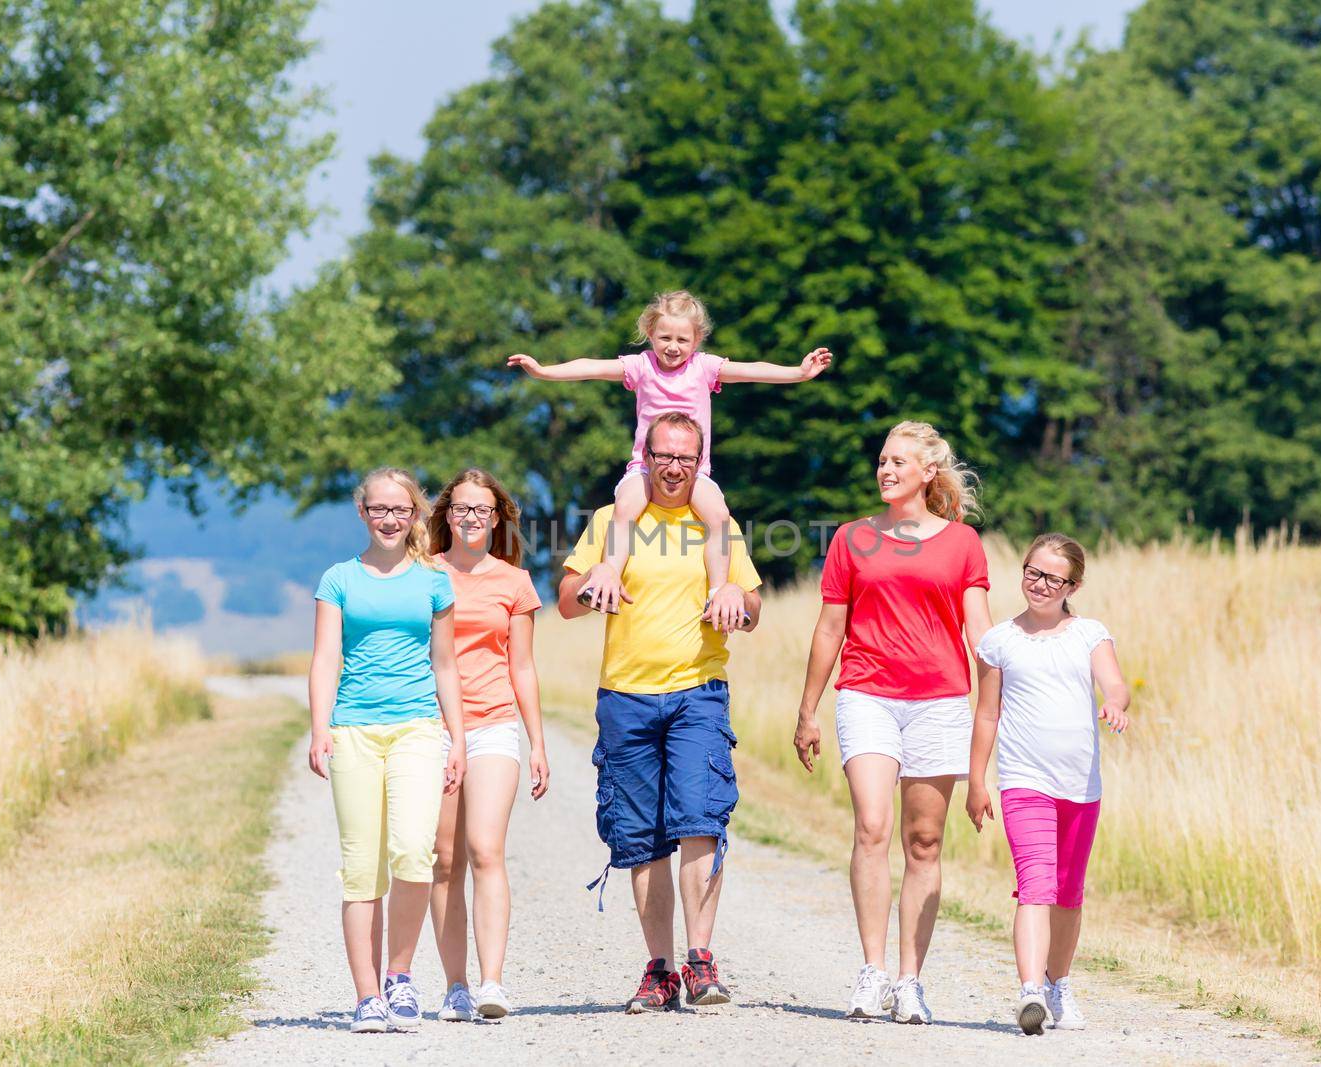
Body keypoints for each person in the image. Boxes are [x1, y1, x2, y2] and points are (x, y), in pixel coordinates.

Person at [558, 411, 763, 1013]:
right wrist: (594, 582)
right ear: (643, 456)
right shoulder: (609, 520)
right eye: (664, 455)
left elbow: (753, 605)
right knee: (640, 836)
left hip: (699, 690)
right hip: (625, 695)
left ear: (701, 463)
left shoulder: (715, 522)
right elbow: (567, 602)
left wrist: (736, 600)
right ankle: (659, 969)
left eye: (686, 458)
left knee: (700, 818)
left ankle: (701, 962)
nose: (674, 468)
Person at [792, 421, 994, 1025]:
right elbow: (830, 629)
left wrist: (1009, 688)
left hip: (939, 701)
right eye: (881, 460)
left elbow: (979, 632)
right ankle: (871, 970)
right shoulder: (853, 539)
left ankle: (910, 980)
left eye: (899, 461)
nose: (885, 470)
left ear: (928, 472)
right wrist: (808, 711)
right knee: (873, 827)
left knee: (924, 842)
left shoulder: (962, 543)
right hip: (867, 694)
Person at [509, 289, 827, 631]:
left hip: (695, 471)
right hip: (646, 468)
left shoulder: (704, 368)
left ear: (697, 339)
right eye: (664, 338)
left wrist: (798, 372)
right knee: (624, 509)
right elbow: (592, 367)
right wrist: (544, 372)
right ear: (650, 335)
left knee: (719, 516)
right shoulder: (641, 366)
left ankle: (718, 591)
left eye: (681, 339)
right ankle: (609, 577)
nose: (672, 347)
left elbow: (752, 371)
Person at [308, 467, 467, 1034]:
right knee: (360, 869)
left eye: (400, 510)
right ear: (362, 513)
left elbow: (445, 664)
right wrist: (319, 727)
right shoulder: (339, 580)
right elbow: (326, 658)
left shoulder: (432, 581)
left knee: (412, 852)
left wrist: (458, 738)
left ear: (415, 514)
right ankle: (367, 996)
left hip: (418, 729)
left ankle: (399, 977)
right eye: (379, 509)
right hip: (353, 730)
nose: (390, 519)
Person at [966, 533, 1130, 1035]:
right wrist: (977, 779)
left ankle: (1058, 984)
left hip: (1081, 786)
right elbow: (987, 714)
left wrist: (1116, 704)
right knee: (1035, 885)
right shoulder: (998, 641)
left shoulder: (1089, 634)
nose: (1039, 585)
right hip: (1024, 781)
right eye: (1032, 572)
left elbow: (1115, 682)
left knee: (1068, 893)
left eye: (1052, 578)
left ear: (1072, 585)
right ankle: (1031, 991)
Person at [425, 468, 550, 1021]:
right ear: (446, 516)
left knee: (484, 848)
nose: (471, 518)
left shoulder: (514, 582)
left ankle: (492, 981)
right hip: (430, 726)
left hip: (493, 722)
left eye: (482, 510)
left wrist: (538, 742)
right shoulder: (422, 573)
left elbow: (522, 667)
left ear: (496, 518)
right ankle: (455, 985)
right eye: (460, 509)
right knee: (444, 858)